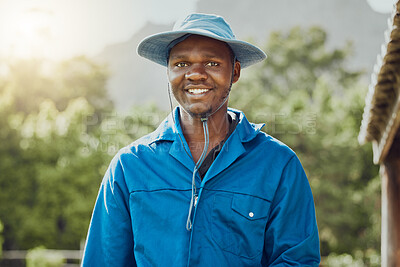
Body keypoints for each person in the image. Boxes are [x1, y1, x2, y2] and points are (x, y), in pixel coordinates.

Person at [82, 13, 320, 266]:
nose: (195, 74)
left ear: (235, 72)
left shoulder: (278, 164)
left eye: (212, 63)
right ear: (168, 72)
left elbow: (296, 260)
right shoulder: (130, 166)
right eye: (181, 64)